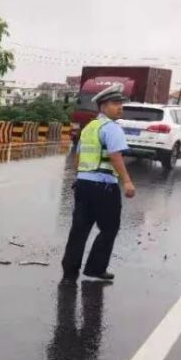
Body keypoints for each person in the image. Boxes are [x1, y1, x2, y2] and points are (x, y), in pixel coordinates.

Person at [61, 83, 136, 283]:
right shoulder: (112, 128)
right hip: (104, 187)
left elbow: (77, 157)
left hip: (84, 185)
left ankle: (69, 274)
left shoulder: (88, 128)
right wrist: (127, 181)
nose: (120, 107)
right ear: (103, 107)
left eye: (121, 103)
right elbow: (115, 155)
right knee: (109, 228)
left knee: (79, 229)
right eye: (115, 103)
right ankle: (95, 268)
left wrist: (80, 178)